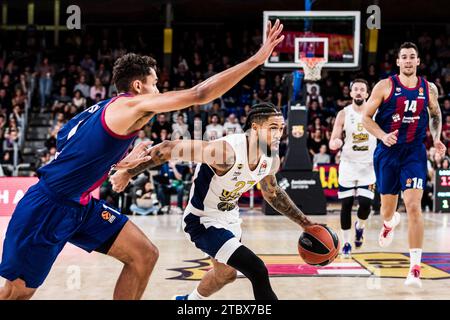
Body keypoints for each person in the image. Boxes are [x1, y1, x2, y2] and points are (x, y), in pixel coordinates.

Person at [0, 20, 285, 300]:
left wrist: (119, 164)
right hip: (48, 209)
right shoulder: (132, 104)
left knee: (144, 255)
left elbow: (70, 147)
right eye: (155, 84)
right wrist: (256, 59)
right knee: (17, 293)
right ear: (138, 86)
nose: (159, 92)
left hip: (81, 206)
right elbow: (200, 94)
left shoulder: (104, 109)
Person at [110, 102, 319, 300]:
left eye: (282, 128)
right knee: (257, 270)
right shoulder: (225, 153)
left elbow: (272, 193)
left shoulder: (271, 158)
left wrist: (305, 224)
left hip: (230, 218)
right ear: (255, 128)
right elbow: (167, 148)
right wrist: (128, 173)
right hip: (202, 221)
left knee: (226, 275)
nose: (279, 134)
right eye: (273, 127)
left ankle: (188, 301)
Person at [362, 42, 447, 288]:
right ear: (397, 62)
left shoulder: (428, 88)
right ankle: (389, 223)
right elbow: (366, 118)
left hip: (414, 153)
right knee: (388, 210)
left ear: (418, 61)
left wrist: (437, 138)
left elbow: (436, 115)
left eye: (412, 57)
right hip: (387, 152)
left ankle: (415, 269)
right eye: (404, 57)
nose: (408, 61)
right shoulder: (384, 86)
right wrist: (381, 135)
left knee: (413, 206)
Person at [329, 79, 377, 258]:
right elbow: (334, 138)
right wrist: (335, 142)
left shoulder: (375, 112)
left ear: (367, 94)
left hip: (369, 165)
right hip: (348, 164)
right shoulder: (343, 113)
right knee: (346, 205)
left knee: (365, 205)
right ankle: (347, 242)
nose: (358, 92)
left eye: (362, 90)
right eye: (355, 89)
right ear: (350, 93)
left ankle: (360, 227)